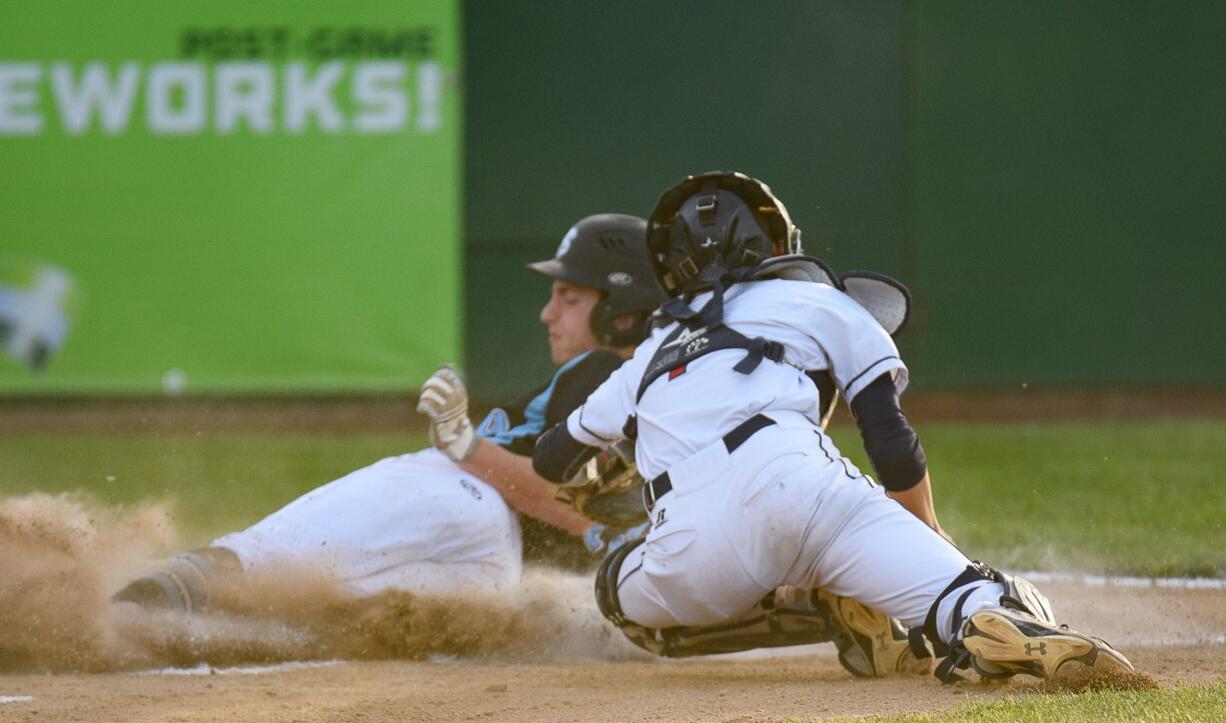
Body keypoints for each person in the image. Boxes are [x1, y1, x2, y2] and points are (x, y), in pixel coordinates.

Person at [534, 172, 1134, 683]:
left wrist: (600, 469)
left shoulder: (650, 352)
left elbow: (552, 459)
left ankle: (818, 605)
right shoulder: (818, 302)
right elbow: (890, 441)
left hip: (690, 546)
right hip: (805, 489)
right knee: (966, 591)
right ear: (771, 243)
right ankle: (991, 620)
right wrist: (926, 534)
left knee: (615, 590)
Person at [114, 214, 667, 611]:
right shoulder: (657, 393)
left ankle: (135, 607)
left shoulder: (607, 373)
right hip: (499, 572)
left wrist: (461, 443)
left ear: (621, 310)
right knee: (295, 609)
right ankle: (167, 625)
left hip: (461, 500)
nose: (548, 314)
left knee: (251, 562)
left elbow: (562, 498)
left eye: (570, 299)